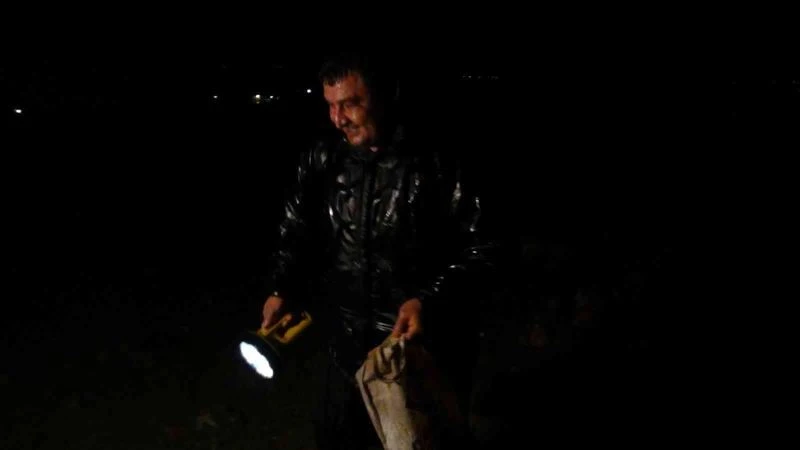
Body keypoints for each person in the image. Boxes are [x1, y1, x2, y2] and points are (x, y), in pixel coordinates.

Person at [259, 52, 486, 449]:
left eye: (351, 103)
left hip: (415, 350)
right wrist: (283, 286)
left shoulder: (435, 161)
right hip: (344, 344)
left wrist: (428, 302)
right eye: (331, 105)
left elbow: (481, 246)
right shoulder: (325, 158)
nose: (339, 119)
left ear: (384, 96)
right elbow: (296, 228)